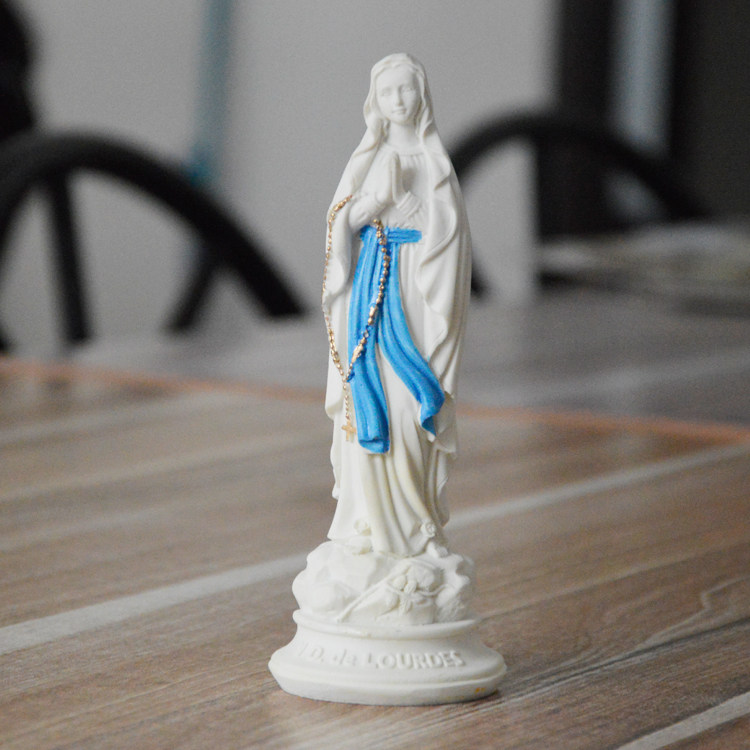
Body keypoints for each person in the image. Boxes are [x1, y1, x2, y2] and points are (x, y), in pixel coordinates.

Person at [321, 53, 471, 559]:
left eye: (406, 89)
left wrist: (413, 209)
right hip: (373, 285)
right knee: (373, 401)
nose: (398, 100)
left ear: (421, 94)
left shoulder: (436, 163)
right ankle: (370, 523)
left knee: (412, 406)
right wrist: (376, 201)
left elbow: (451, 241)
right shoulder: (367, 158)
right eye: (388, 92)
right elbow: (340, 224)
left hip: (419, 291)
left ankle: (415, 524)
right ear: (376, 101)